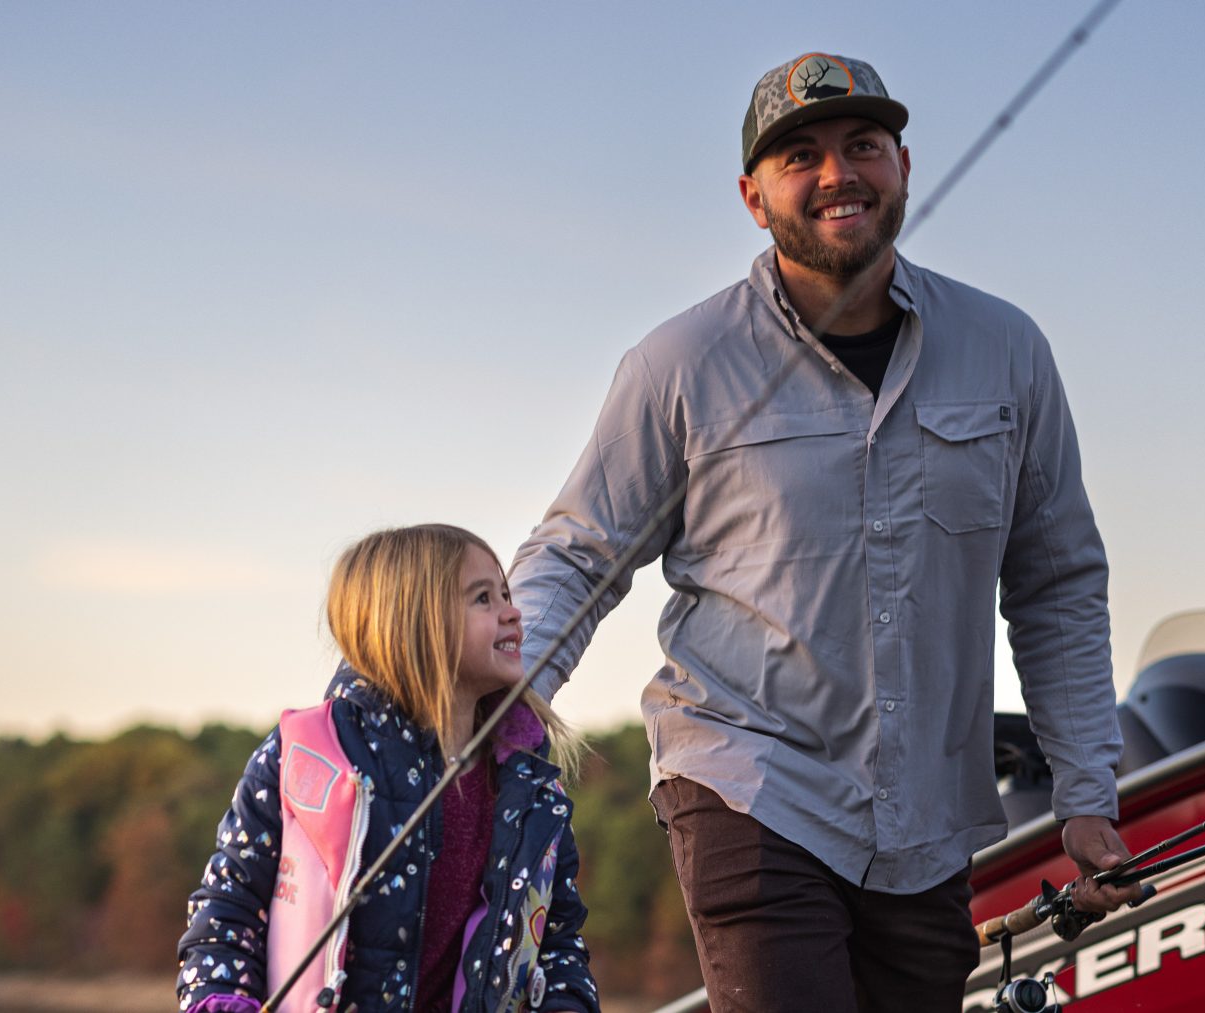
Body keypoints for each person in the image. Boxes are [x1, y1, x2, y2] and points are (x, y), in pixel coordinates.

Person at [507, 51, 1142, 1011]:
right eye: (800, 156)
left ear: (903, 166)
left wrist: (1087, 791)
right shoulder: (678, 363)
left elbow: (1056, 582)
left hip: (931, 817)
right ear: (754, 197)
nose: (838, 172)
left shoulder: (1009, 350)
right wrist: (500, 708)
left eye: (863, 146)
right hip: (747, 785)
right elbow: (577, 554)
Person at [177, 525, 599, 1013]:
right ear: (413, 624)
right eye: (483, 598)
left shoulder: (529, 788)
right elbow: (227, 909)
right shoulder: (304, 755)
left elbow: (559, 941)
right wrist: (221, 1003)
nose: (513, 611)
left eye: (505, 593)